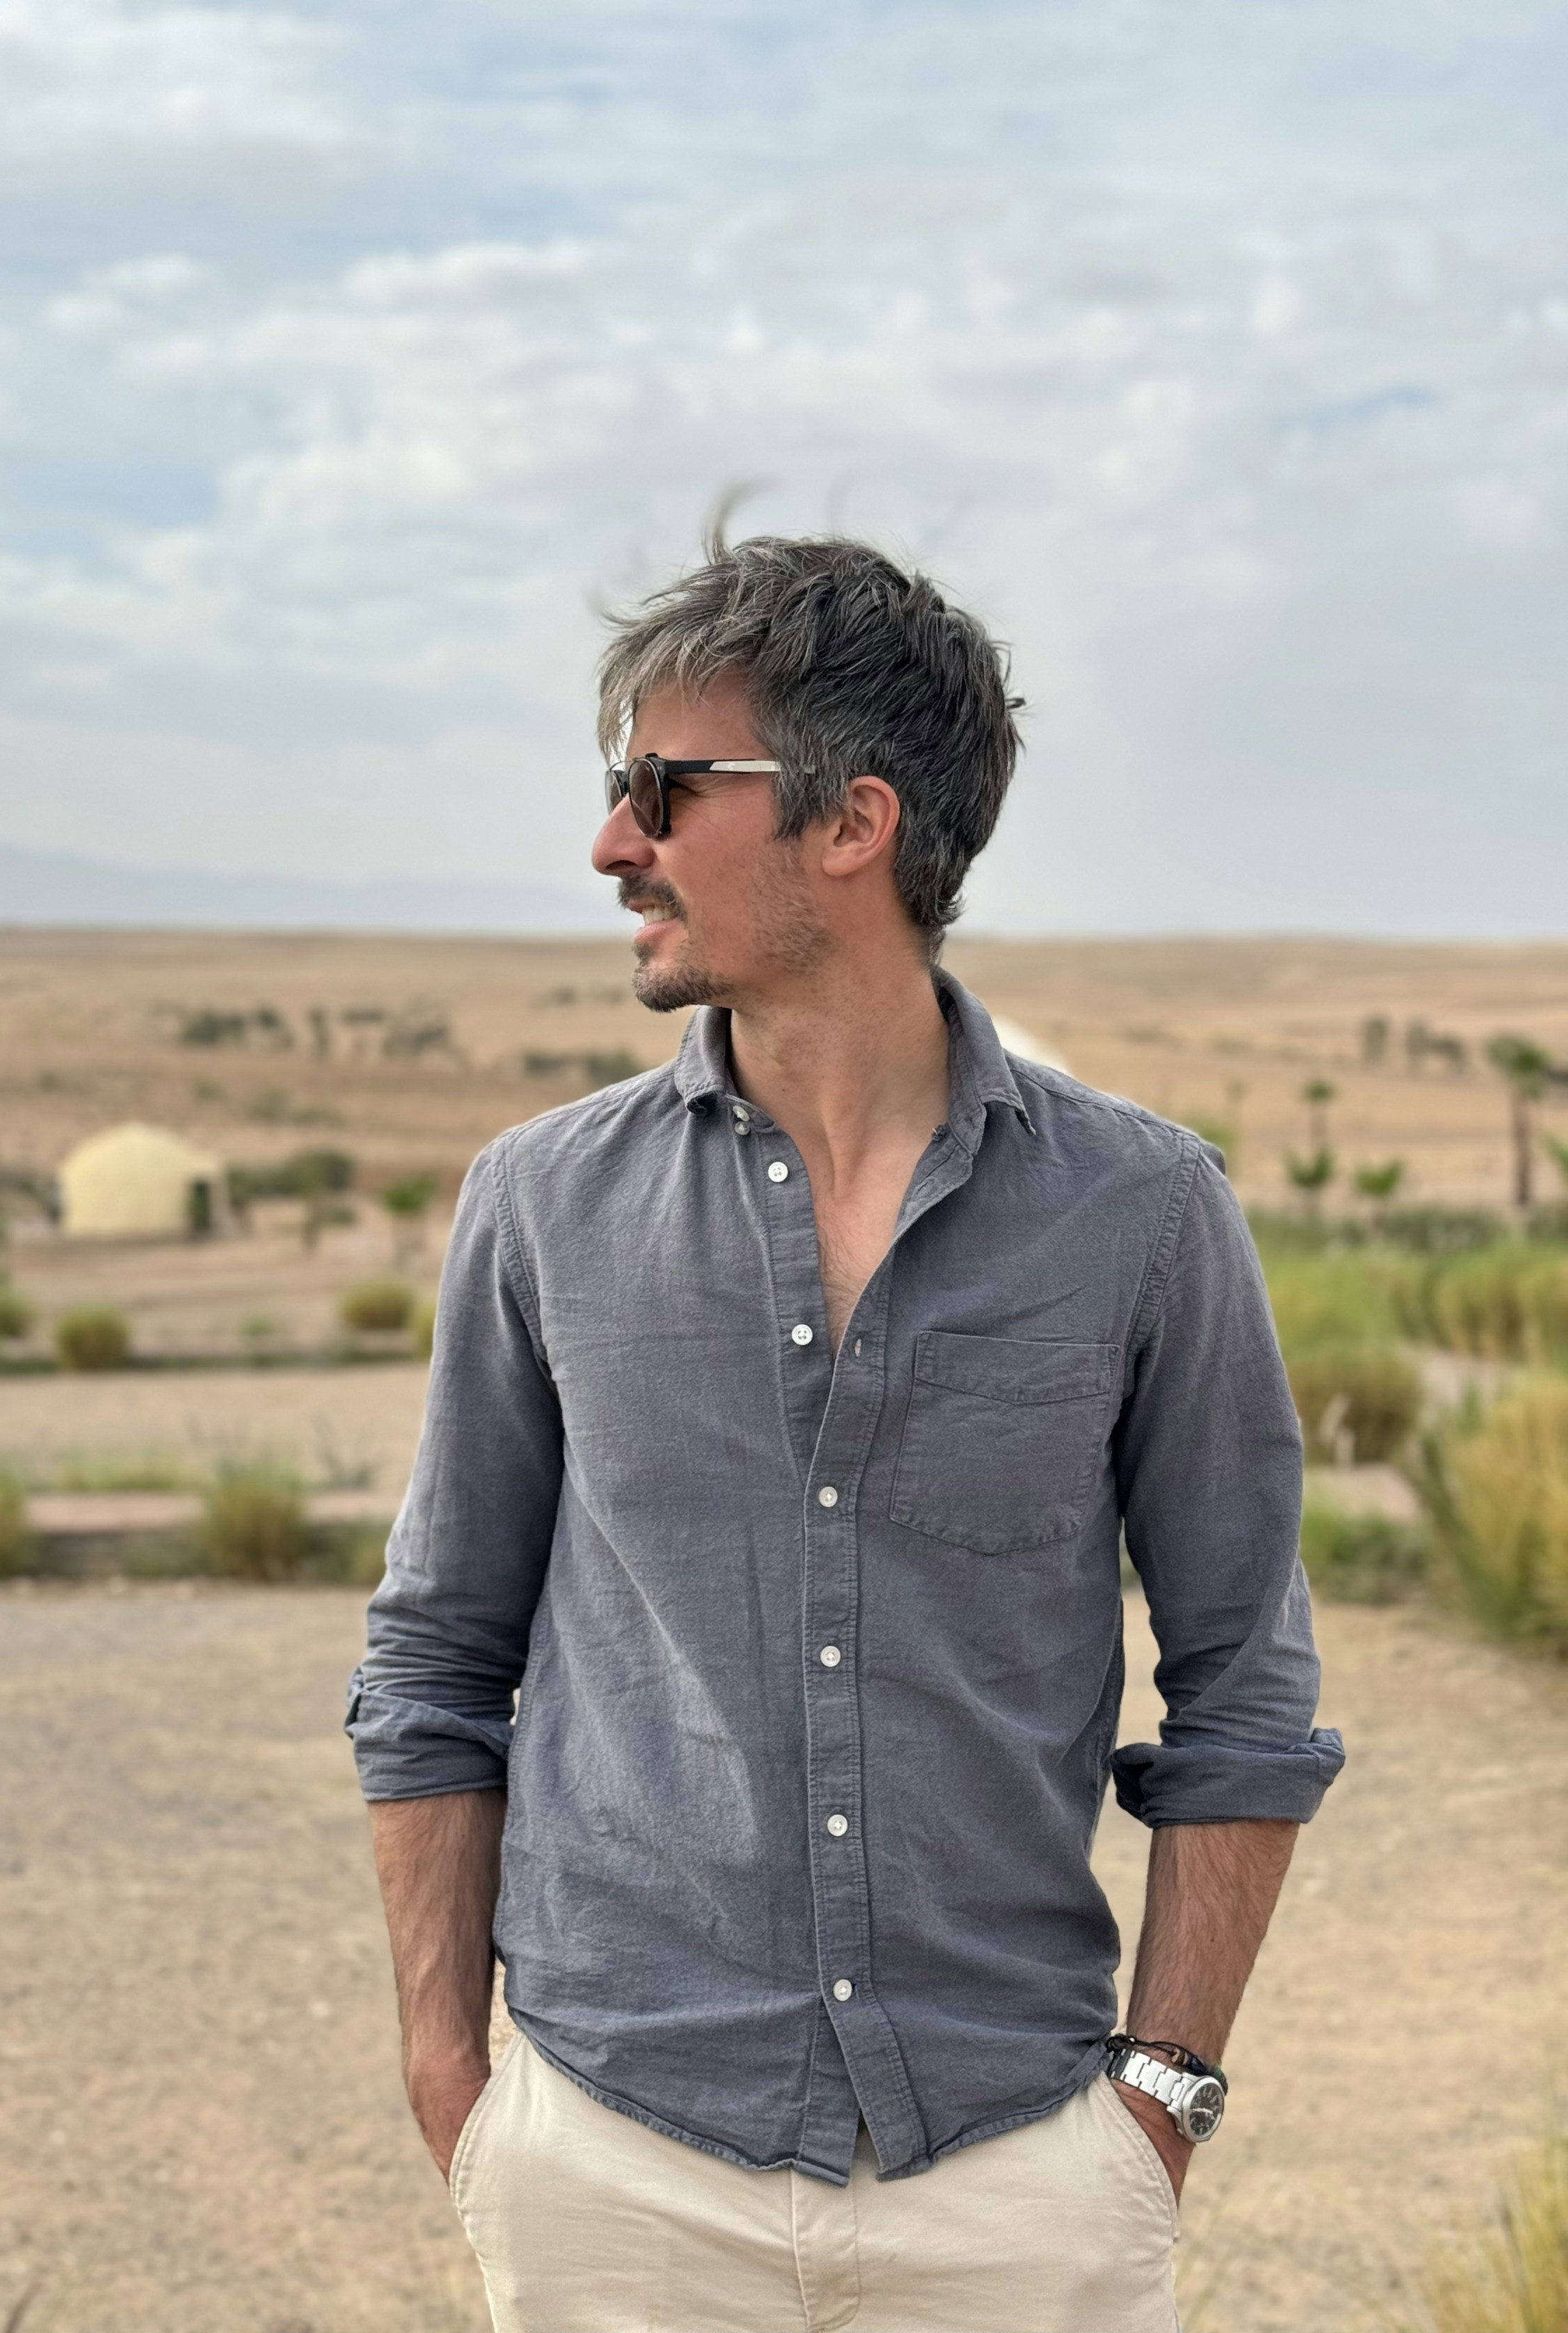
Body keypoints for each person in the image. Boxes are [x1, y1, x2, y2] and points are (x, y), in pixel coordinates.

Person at [346, 532, 1343, 2333]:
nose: (610, 844)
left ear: (852, 822)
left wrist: (1160, 2103)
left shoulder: (1145, 1213)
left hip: (1022, 2181)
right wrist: (453, 2077)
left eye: (663, 786)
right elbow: (434, 1657)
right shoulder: (540, 1208)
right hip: (615, 2172)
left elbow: (1247, 1694)